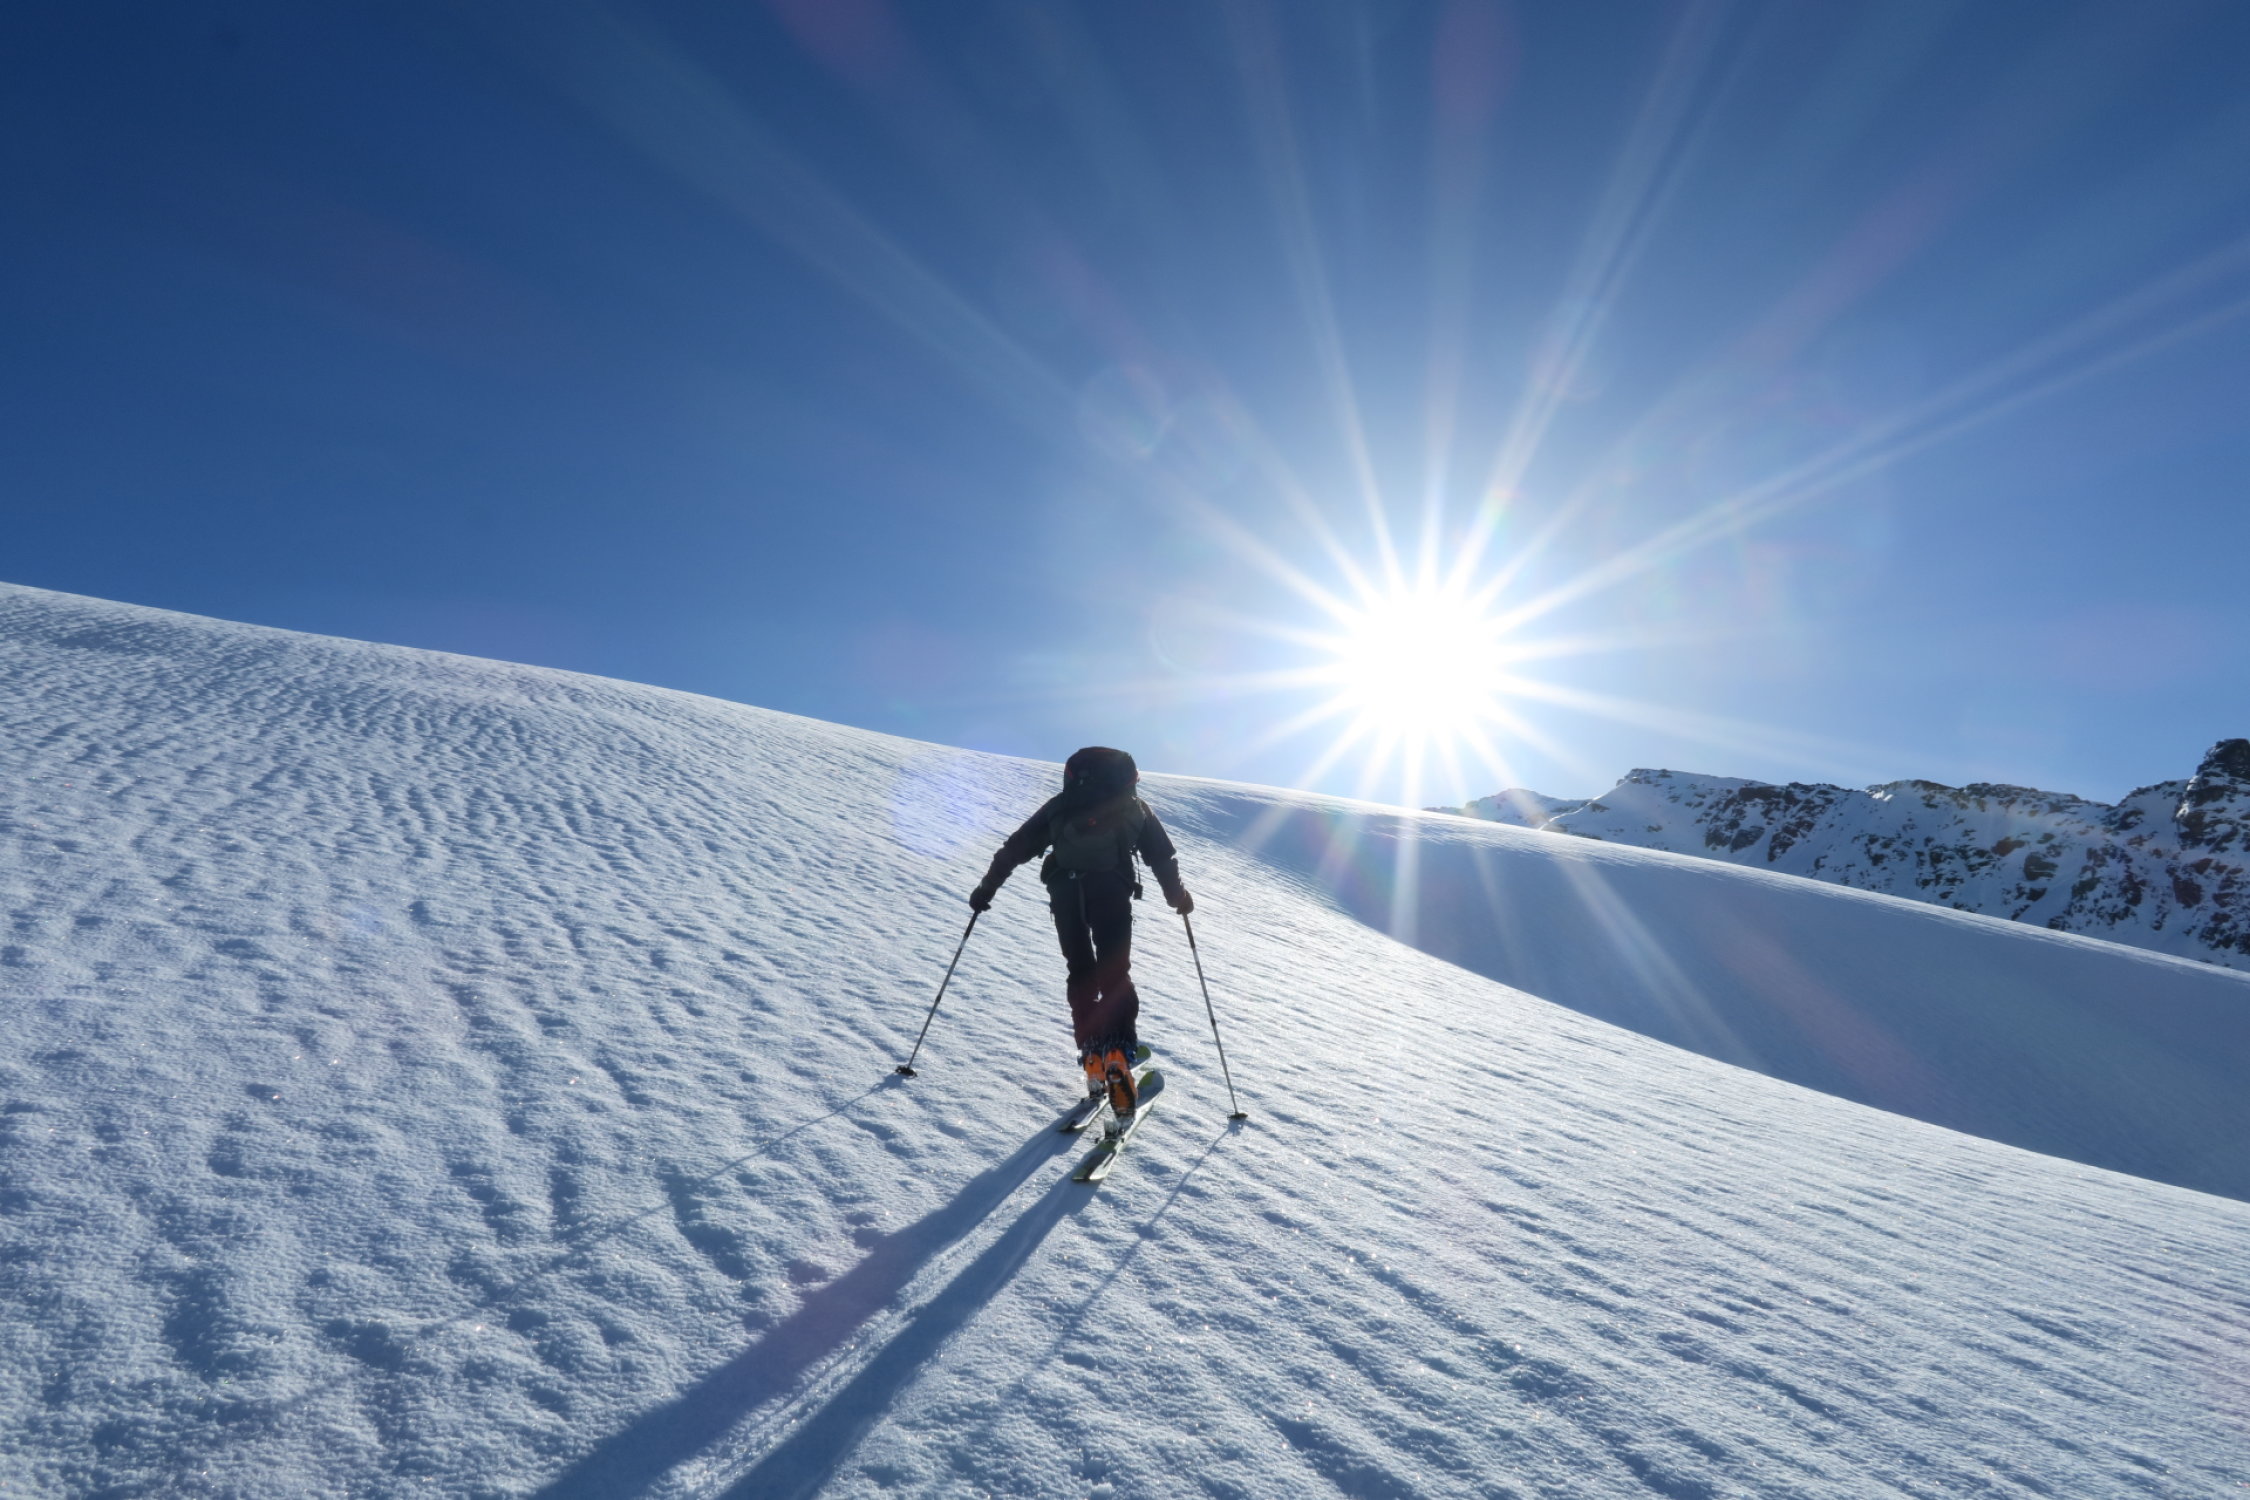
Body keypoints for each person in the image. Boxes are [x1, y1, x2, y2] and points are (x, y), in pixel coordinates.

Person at [969, 746, 1192, 1125]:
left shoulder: (1060, 806)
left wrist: (985, 890)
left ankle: (1092, 1057)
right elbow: (1162, 858)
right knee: (1114, 973)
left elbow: (1014, 849)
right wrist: (1178, 898)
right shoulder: (1135, 808)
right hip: (1111, 893)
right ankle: (1118, 1054)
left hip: (1066, 894)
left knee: (1081, 972)